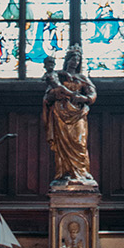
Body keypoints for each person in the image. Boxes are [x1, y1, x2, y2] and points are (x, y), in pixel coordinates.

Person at [42, 45, 98, 189]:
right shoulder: (58, 76)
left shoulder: (82, 78)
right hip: (60, 112)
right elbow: (47, 96)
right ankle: (65, 173)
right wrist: (57, 93)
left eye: (78, 60)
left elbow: (92, 94)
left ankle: (81, 172)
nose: (75, 62)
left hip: (78, 114)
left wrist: (84, 99)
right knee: (62, 144)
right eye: (73, 59)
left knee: (79, 142)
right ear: (67, 60)